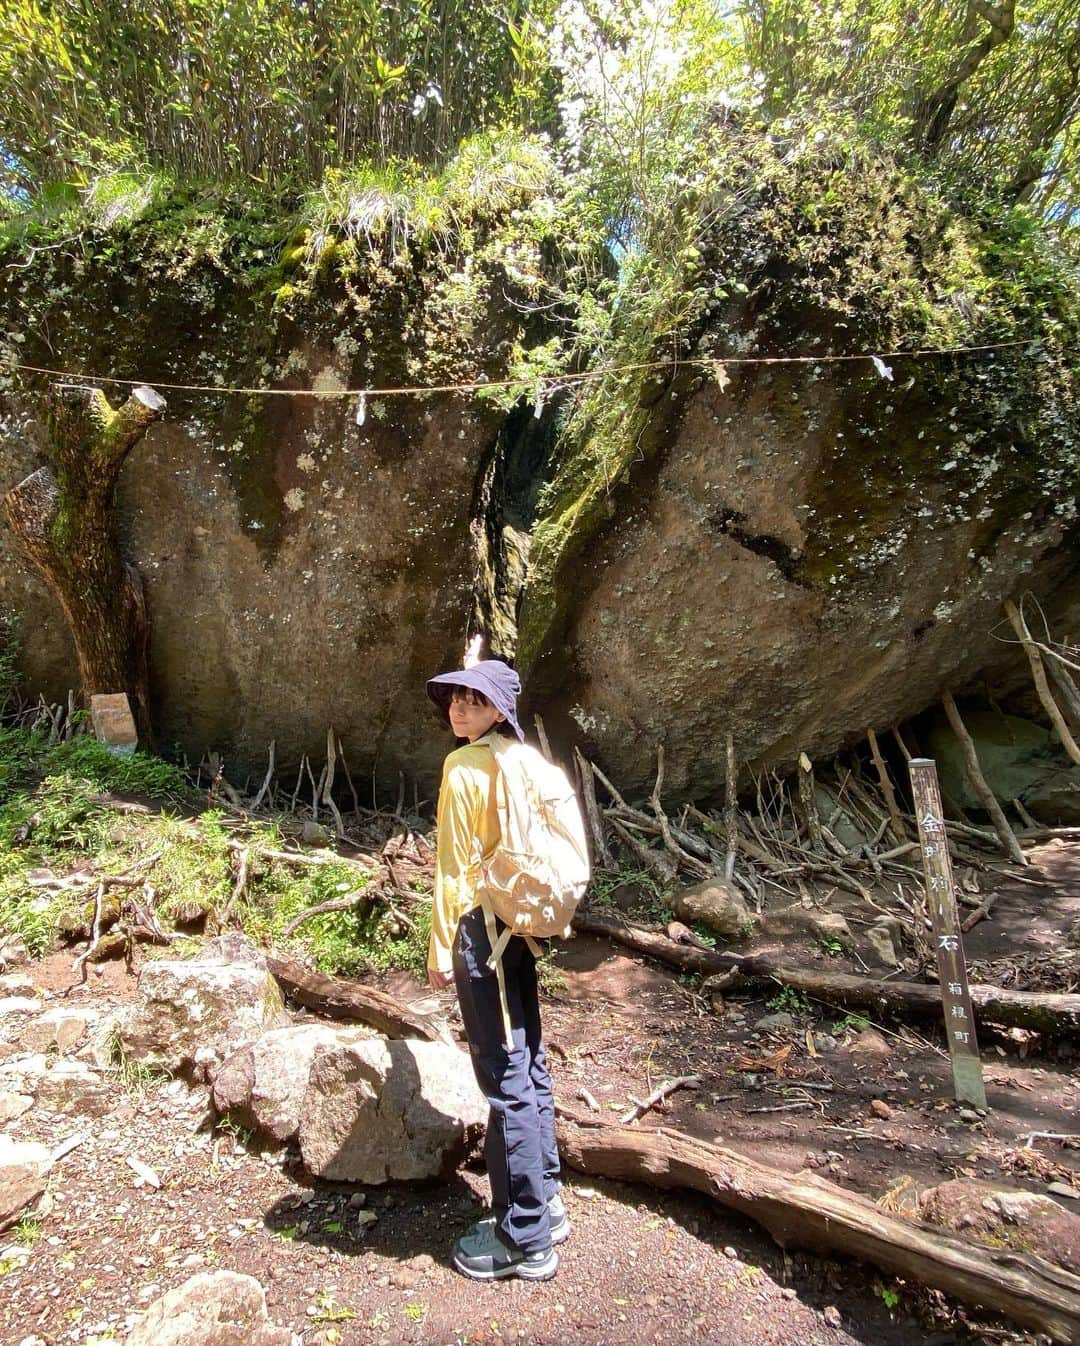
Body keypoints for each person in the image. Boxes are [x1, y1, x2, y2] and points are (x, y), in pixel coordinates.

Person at [426, 658, 567, 1282]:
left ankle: (527, 1237)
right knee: (528, 1059)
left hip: (480, 932)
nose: (459, 709)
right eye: (455, 698)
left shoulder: (465, 768)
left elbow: (454, 871)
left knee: (504, 1072)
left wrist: (440, 950)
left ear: (498, 711)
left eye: (474, 701)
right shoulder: (524, 760)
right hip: (522, 928)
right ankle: (547, 1202)